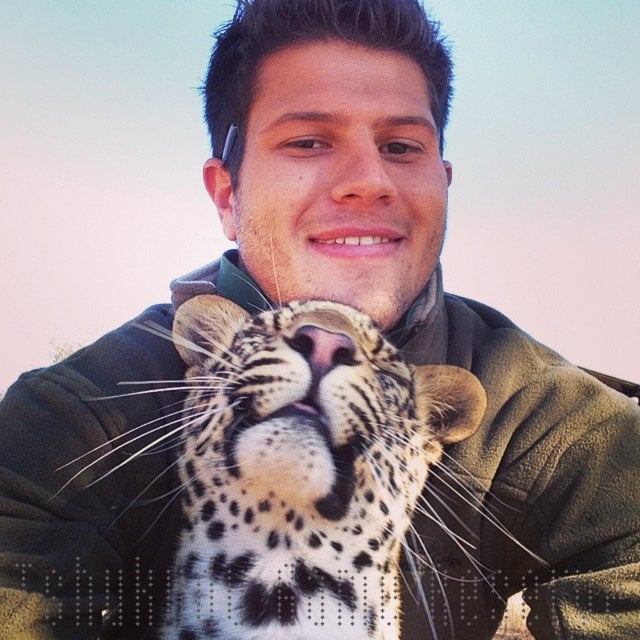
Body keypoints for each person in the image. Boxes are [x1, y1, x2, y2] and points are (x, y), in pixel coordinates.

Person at [1, 1, 638, 638]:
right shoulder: (72, 421)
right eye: (308, 141)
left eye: (401, 146)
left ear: (444, 182)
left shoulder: (545, 418)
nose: (368, 181)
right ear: (228, 196)